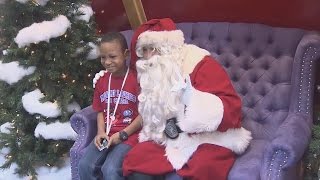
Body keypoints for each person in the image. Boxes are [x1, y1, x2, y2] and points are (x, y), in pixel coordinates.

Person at [122, 18, 253, 180]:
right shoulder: (152, 74)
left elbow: (230, 108)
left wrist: (191, 98)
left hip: (208, 136)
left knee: (204, 167)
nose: (148, 56)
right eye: (144, 50)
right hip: (168, 137)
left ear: (168, 47)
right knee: (137, 159)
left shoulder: (200, 64)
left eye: (153, 48)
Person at [78, 32, 142, 180]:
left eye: (112, 57)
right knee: (84, 165)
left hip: (129, 136)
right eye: (103, 57)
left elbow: (143, 115)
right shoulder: (101, 81)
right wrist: (100, 132)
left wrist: (123, 134)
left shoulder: (137, 80)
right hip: (106, 134)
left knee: (111, 170)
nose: (107, 62)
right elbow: (100, 110)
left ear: (126, 54)